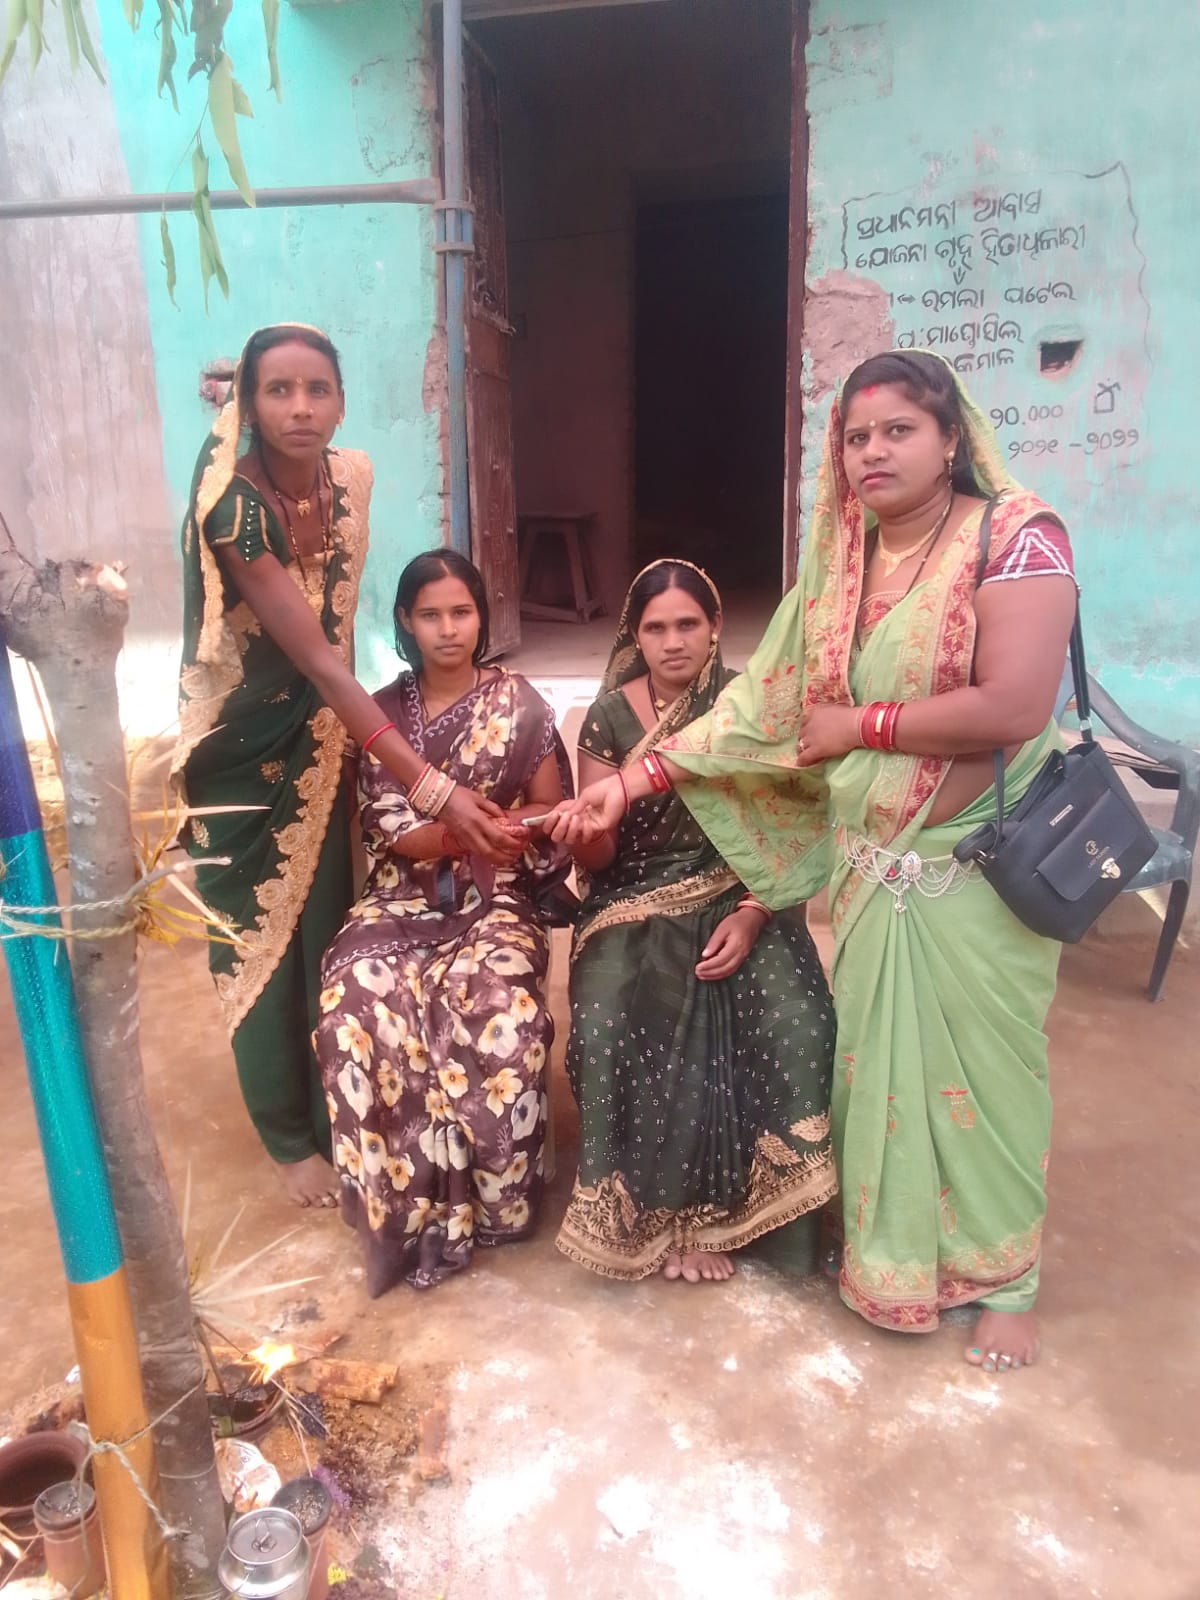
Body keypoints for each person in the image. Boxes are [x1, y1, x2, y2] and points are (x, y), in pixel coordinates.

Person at [549, 353, 1076, 1370]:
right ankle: (893, 1259)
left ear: (950, 438)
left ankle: (1006, 1279)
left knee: (986, 1076)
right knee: (878, 1073)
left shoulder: (1016, 537)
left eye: (898, 430)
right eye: (856, 436)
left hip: (973, 862)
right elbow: (760, 711)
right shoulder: (842, 569)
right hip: (876, 868)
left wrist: (863, 726)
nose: (873, 452)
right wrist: (635, 780)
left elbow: (1016, 704)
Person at [172, 325, 519, 1207]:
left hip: (323, 735)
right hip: (242, 752)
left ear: (341, 401)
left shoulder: (349, 479)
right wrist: (431, 786)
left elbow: (330, 675)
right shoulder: (234, 510)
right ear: (249, 404)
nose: (299, 409)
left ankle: (336, 1114)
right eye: (277, 391)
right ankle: (287, 1136)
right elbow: (325, 663)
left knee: (324, 928)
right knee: (257, 943)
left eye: (316, 389)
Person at [555, 560, 836, 1285]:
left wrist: (753, 914)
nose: (673, 642)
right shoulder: (609, 717)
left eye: (688, 624)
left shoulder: (749, 709)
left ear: (715, 627)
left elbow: (790, 832)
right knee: (609, 1017)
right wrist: (585, 834)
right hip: (633, 901)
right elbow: (604, 858)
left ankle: (756, 1220)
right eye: (656, 628)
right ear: (635, 636)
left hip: (743, 896)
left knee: (796, 1018)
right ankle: (659, 1216)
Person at [315, 550, 573, 1294]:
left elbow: (547, 807)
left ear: (481, 617)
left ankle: (498, 1202)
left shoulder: (520, 704)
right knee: (352, 1005)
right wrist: (458, 833)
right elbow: (388, 825)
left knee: (500, 1009)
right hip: (400, 895)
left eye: (461, 612)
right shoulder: (380, 715)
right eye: (430, 615)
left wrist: (497, 832)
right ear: (405, 621)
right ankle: (397, 1207)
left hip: (498, 893)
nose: (448, 628)